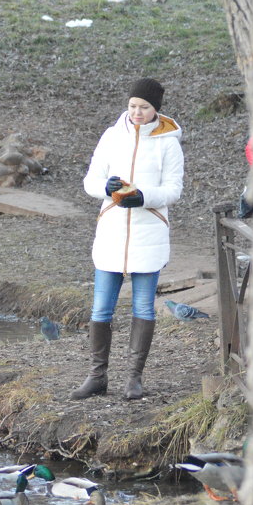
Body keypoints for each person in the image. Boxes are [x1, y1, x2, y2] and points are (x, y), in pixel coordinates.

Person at [73, 78, 184, 401]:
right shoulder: (111, 136)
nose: (137, 112)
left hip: (149, 230)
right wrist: (105, 189)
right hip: (112, 229)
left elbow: (174, 190)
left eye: (144, 107)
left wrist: (144, 197)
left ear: (156, 109)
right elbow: (90, 181)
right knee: (101, 308)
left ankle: (134, 379)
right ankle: (97, 376)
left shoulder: (168, 143)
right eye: (133, 105)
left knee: (143, 307)